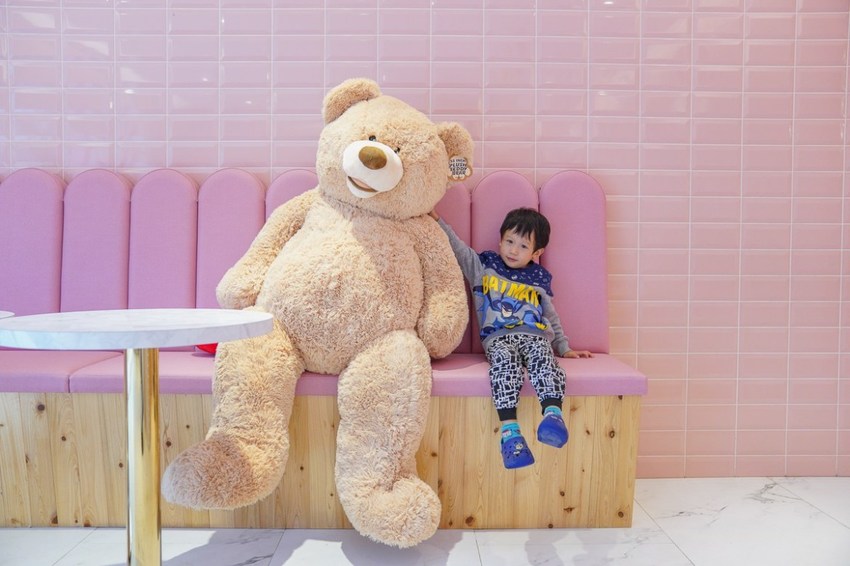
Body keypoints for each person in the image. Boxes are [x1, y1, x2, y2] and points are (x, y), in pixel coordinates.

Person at [430, 207, 592, 469]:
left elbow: (550, 315)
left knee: (545, 361)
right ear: (500, 240)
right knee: (505, 368)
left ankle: (552, 414)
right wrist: (437, 218)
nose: (513, 250)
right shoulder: (484, 267)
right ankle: (510, 434)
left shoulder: (538, 279)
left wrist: (563, 347)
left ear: (537, 252)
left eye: (523, 245)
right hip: (498, 338)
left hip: (535, 335)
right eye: (509, 241)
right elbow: (457, 247)